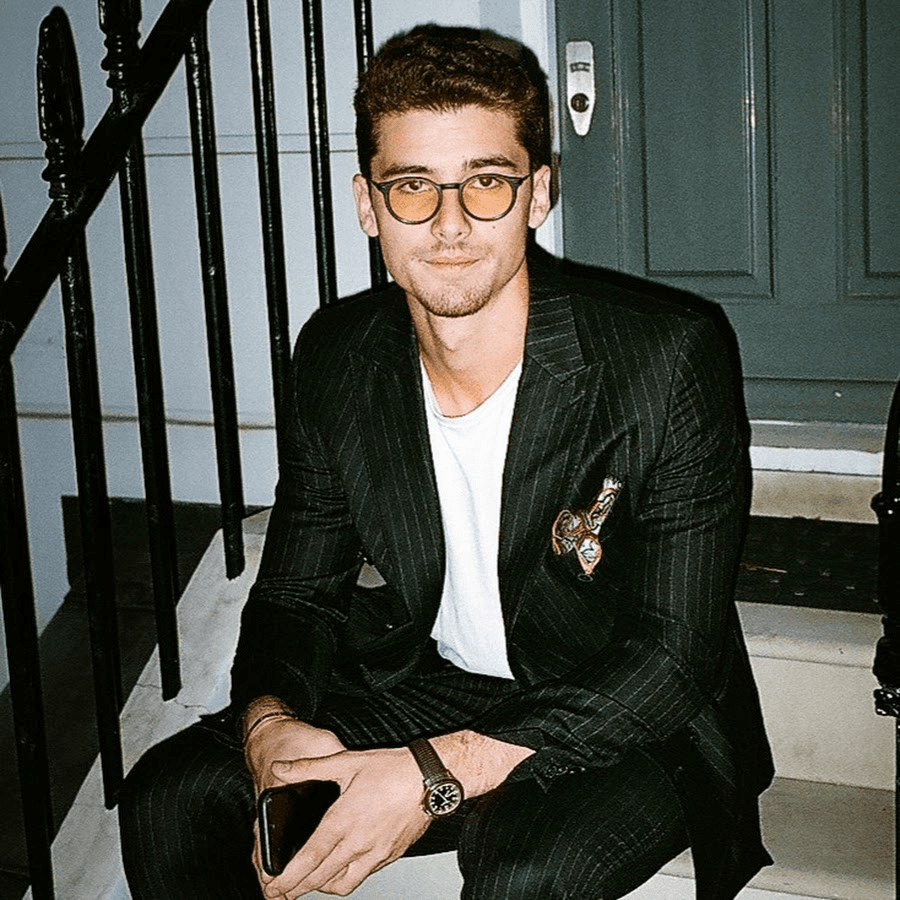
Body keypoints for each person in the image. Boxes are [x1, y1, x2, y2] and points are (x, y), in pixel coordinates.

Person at [119, 24, 774, 900]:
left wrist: (433, 773)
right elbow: (294, 597)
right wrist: (268, 724)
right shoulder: (338, 359)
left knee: (525, 871)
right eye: (414, 187)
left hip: (628, 708)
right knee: (169, 793)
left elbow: (672, 656)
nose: (452, 223)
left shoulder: (668, 358)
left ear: (538, 193)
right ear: (367, 204)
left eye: (488, 182)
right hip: (441, 686)